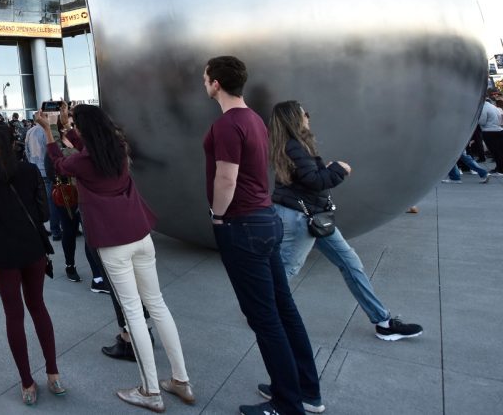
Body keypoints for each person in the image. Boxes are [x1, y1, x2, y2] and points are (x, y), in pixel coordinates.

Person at [40, 104, 192, 412]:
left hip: (113, 242)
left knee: (133, 312)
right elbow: (88, 150)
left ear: (83, 130)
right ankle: (181, 380)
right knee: (157, 305)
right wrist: (68, 128)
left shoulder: (84, 162)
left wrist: (49, 131)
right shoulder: (118, 150)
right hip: (141, 235)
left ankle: (150, 391)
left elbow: (59, 164)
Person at [204, 56, 321, 415]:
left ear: (216, 84)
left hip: (242, 226)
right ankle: (305, 391)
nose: (204, 83)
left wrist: (217, 216)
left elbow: (227, 177)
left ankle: (288, 404)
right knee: (284, 309)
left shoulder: (227, 125)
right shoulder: (254, 119)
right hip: (266, 219)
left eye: (205, 78)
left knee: (265, 318)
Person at [269, 100, 423, 342]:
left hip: (314, 218)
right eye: (304, 114)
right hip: (302, 219)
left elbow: (305, 178)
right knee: (287, 269)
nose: (308, 117)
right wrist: (340, 169)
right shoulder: (294, 147)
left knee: (351, 263)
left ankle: (382, 321)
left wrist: (326, 170)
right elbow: (314, 181)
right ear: (293, 119)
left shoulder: (293, 146)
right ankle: (263, 314)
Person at [0, 124, 65, 406]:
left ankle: (27, 383)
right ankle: (54, 374)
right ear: (15, 142)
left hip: (2, 252)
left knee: (14, 315)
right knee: (38, 307)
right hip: (32, 248)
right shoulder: (31, 171)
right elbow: (44, 212)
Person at [25, 117, 61, 241]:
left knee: (39, 200)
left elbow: (27, 150)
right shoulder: (48, 131)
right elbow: (52, 151)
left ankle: (44, 227)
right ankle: (55, 230)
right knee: (53, 201)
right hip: (48, 170)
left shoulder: (30, 131)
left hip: (35, 169)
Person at [478, 91, 503, 173]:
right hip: (498, 130)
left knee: (494, 152)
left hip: (489, 131)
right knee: (499, 151)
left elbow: (482, 122)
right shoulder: (493, 107)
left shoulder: (484, 108)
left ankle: (499, 168)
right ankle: (500, 167)